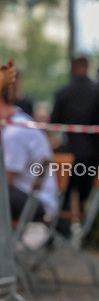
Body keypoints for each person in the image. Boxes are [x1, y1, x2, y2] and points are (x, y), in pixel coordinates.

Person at [51, 56, 99, 221]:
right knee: (86, 195)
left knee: (63, 194)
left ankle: (61, 230)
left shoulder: (63, 92)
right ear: (87, 67)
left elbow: (54, 123)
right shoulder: (98, 92)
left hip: (68, 153)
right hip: (91, 153)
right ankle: (84, 232)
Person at [1, 73, 59, 223]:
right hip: (34, 197)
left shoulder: (15, 132)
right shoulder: (19, 123)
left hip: (37, 202)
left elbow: (7, 178)